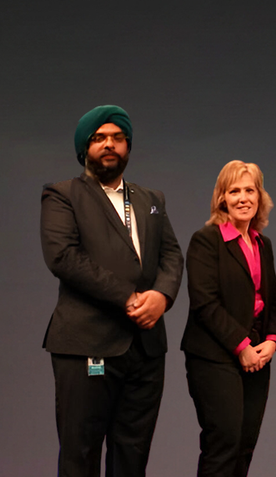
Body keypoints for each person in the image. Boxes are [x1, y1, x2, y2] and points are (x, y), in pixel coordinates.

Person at [40, 105, 184, 477]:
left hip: (146, 347)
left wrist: (162, 296)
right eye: (99, 138)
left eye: (118, 138)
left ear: (128, 147)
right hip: (86, 343)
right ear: (84, 148)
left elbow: (171, 255)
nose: (110, 145)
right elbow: (63, 257)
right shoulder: (62, 195)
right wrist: (128, 297)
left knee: (133, 457)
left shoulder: (151, 199)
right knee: (80, 455)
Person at [182, 160, 276, 476]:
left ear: (259, 196)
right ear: (222, 198)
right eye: (234, 191)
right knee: (223, 444)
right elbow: (205, 303)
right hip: (214, 356)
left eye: (250, 190)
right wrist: (241, 346)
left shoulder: (263, 244)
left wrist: (272, 341)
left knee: (244, 445)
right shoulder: (206, 240)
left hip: (257, 357)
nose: (243, 198)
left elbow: (273, 301)